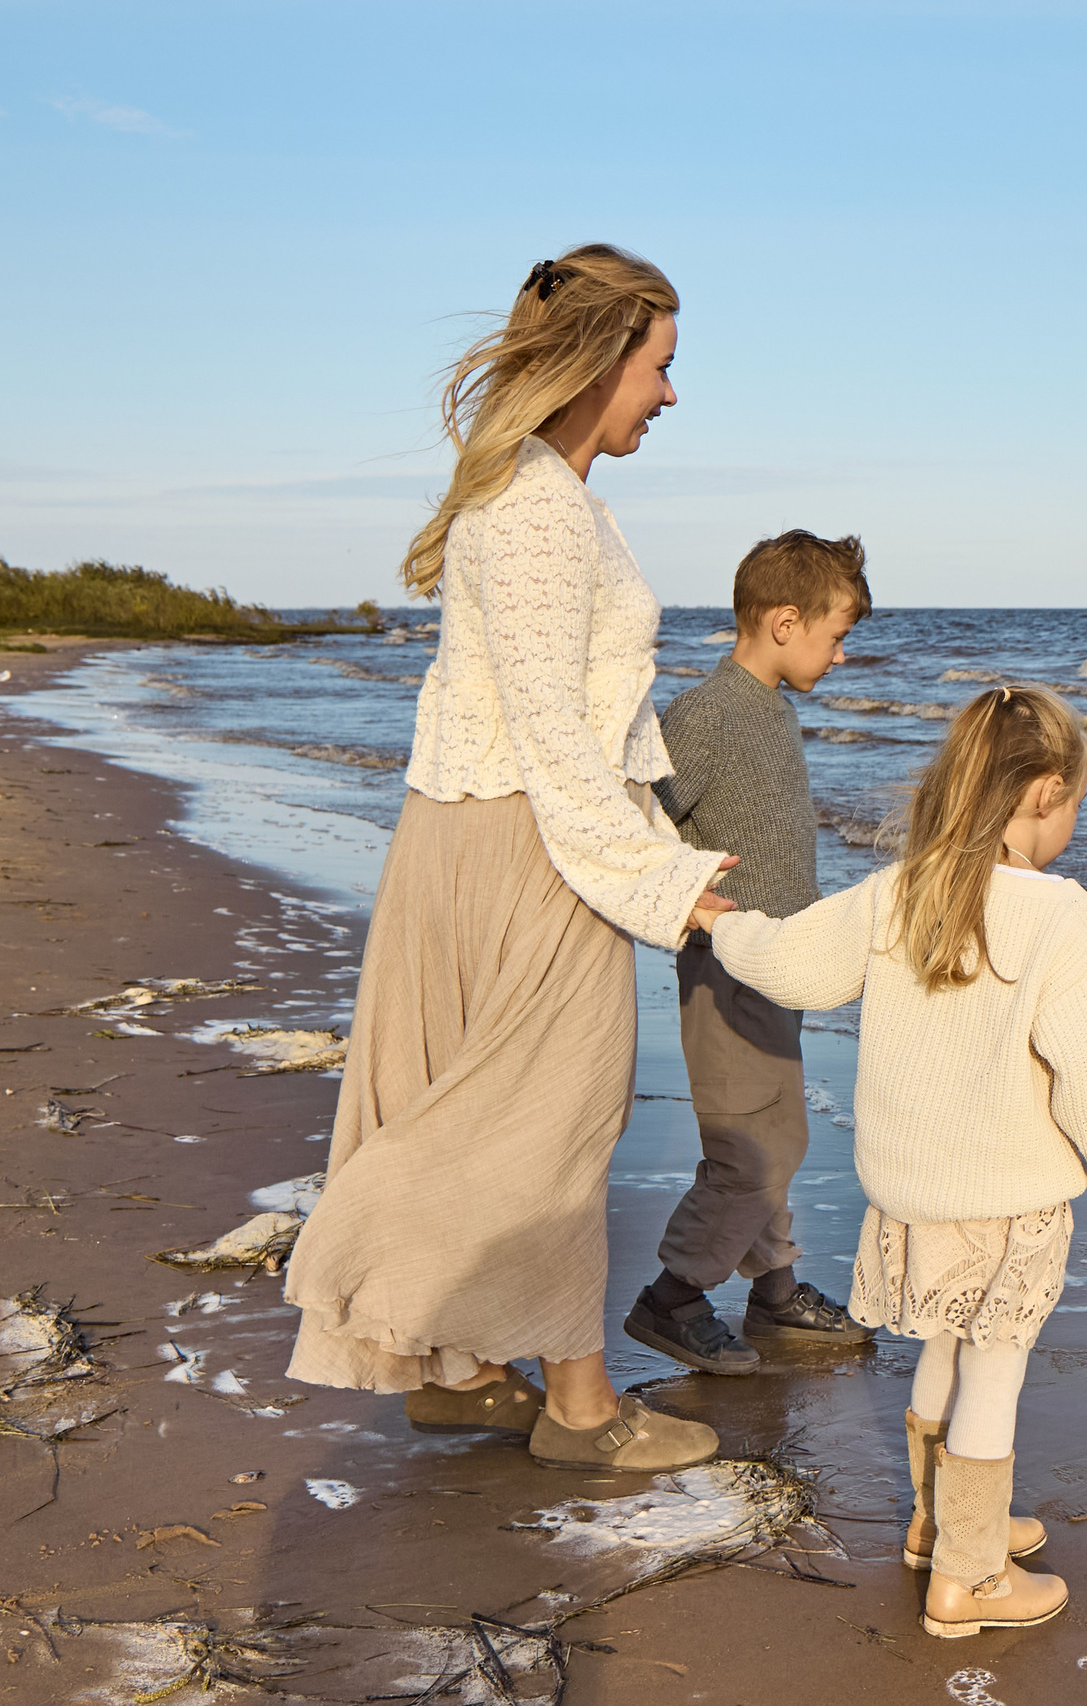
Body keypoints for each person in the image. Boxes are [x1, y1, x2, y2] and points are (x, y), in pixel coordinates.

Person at [284, 244, 740, 1473]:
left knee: (487, 1091)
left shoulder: (541, 496)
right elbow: (551, 729)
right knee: (549, 1116)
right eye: (661, 366)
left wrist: (650, 847)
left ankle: (464, 1365)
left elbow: (561, 717)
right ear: (602, 360)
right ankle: (580, 1407)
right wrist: (655, 879)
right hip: (524, 839)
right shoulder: (538, 508)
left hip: (479, 825)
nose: (671, 395)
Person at [685, 683, 1087, 1637]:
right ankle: (971, 1580)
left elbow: (791, 964)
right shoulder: (1059, 913)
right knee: (995, 1367)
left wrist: (716, 921)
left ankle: (939, 1524)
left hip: (911, 1192)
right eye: (1074, 806)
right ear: (1044, 791)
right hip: (1007, 1194)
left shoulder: (900, 887)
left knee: (945, 1344)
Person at [625, 531, 877, 1374]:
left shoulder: (771, 708)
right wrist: (682, 896)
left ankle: (773, 1292)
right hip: (728, 961)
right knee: (750, 1145)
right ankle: (673, 1296)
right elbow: (636, 820)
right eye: (834, 636)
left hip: (776, 961)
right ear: (782, 621)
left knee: (777, 1131)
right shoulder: (709, 713)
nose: (840, 656)